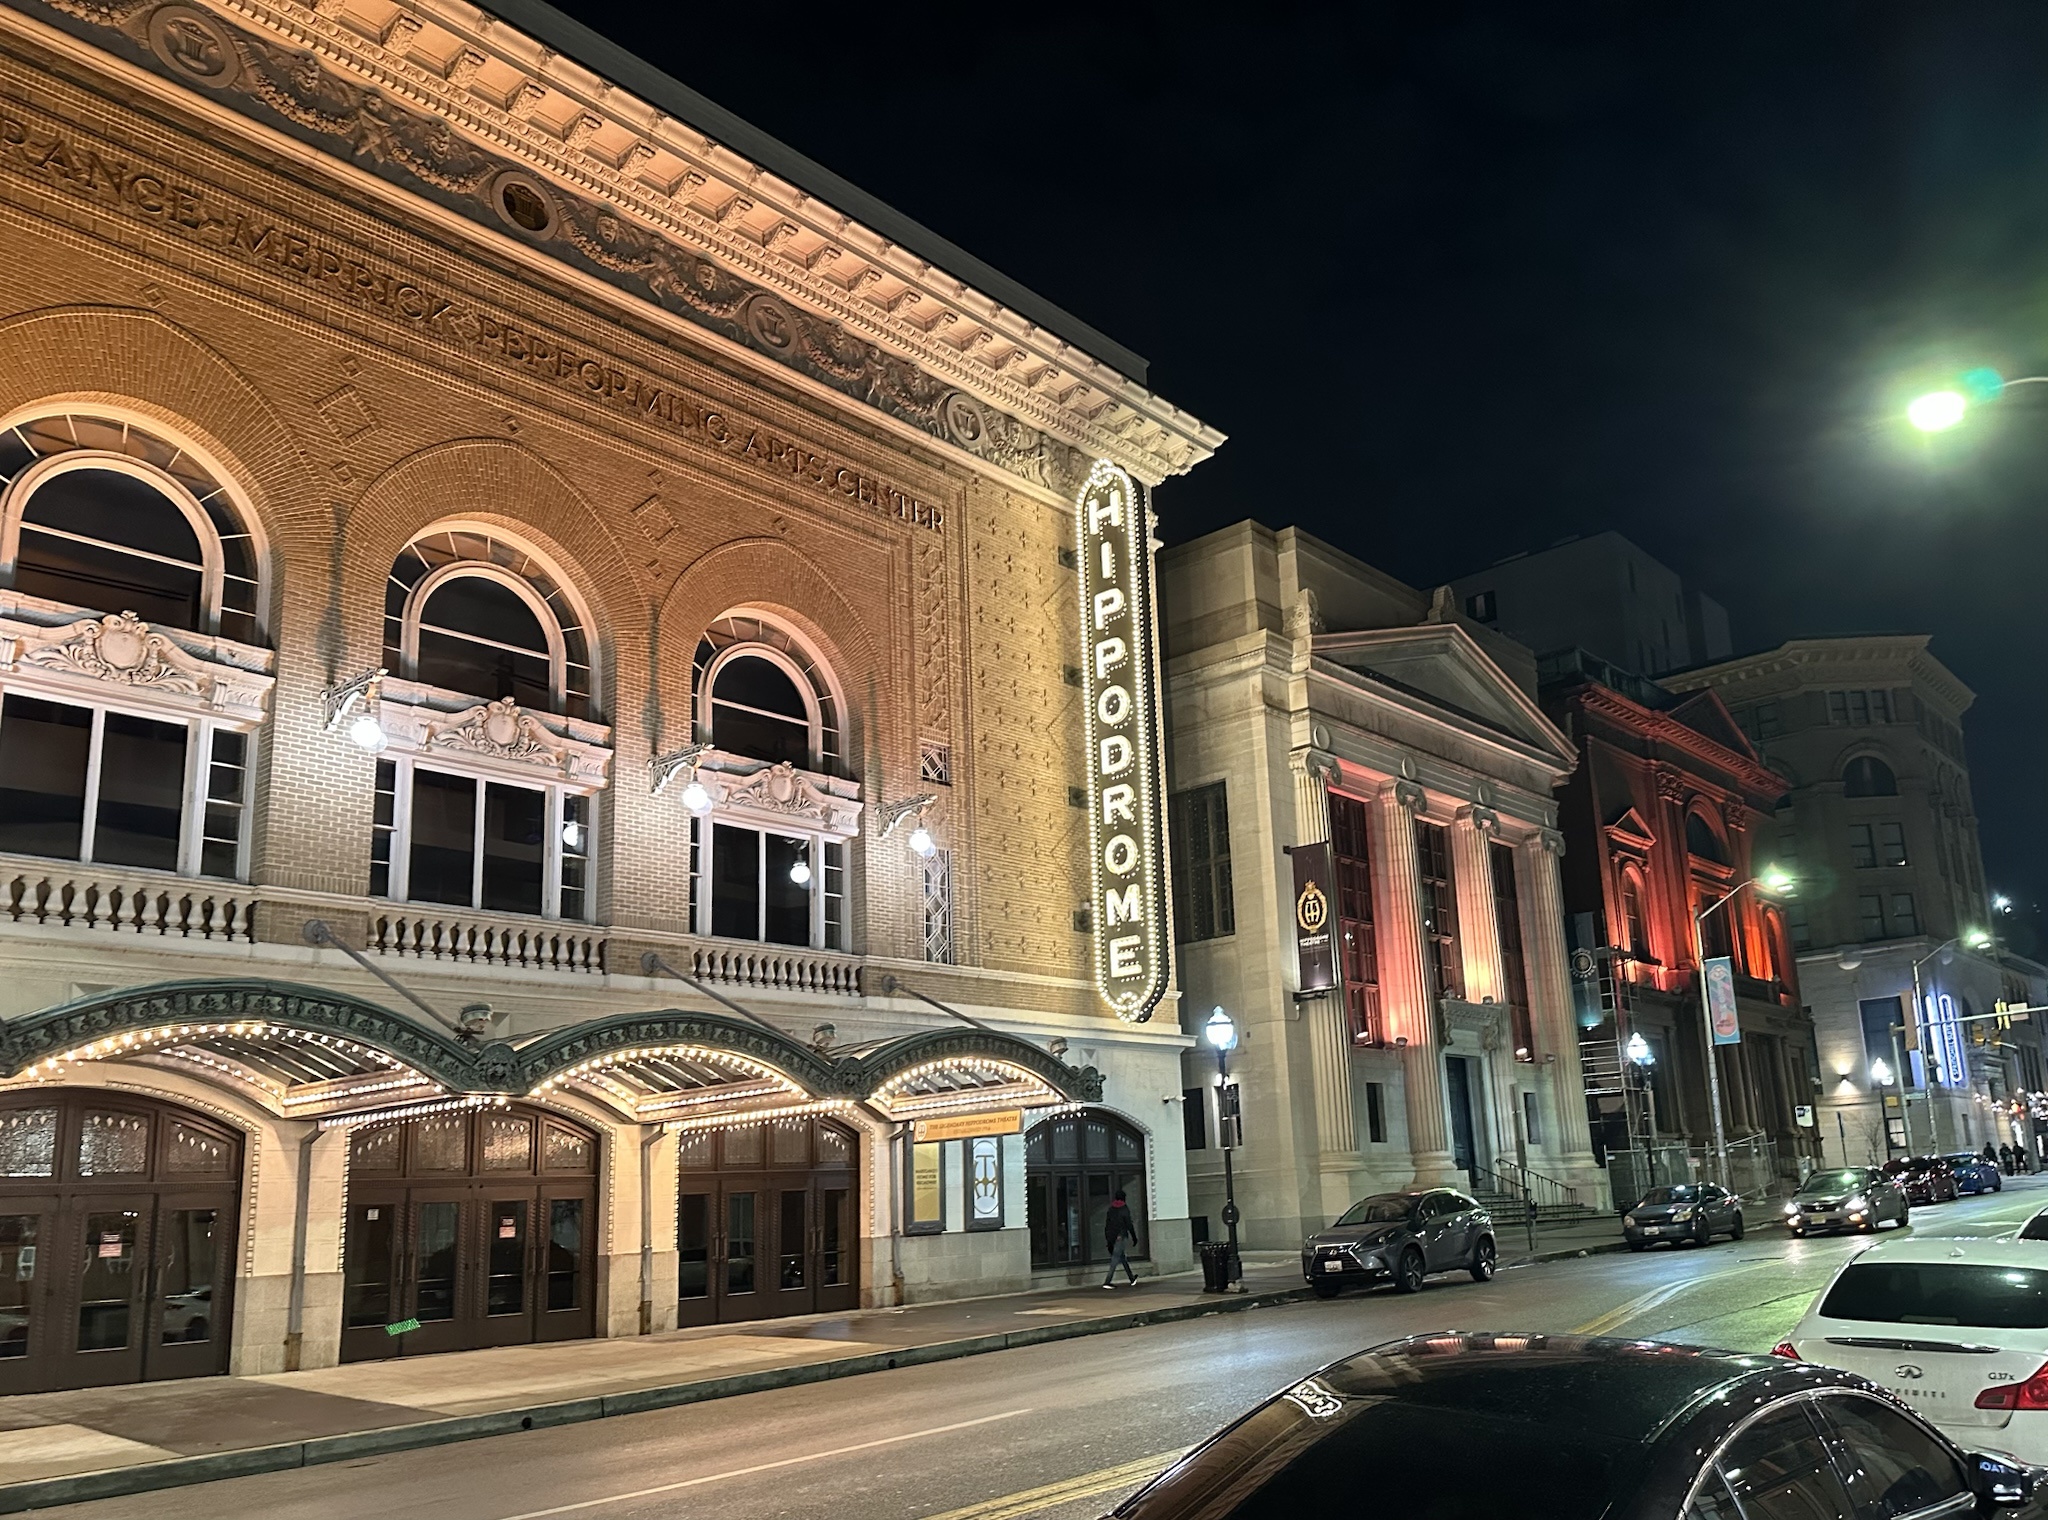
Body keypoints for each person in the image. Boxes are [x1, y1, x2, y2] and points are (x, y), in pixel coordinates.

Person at [1102, 1189, 1139, 1288]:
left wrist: (1108, 1238)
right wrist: (1134, 1237)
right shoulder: (1124, 1209)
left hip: (1112, 1236)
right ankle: (1107, 1281)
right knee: (1115, 1259)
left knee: (1122, 1257)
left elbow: (1107, 1224)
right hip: (1121, 1236)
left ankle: (1132, 1278)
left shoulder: (1111, 1209)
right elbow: (1129, 1224)